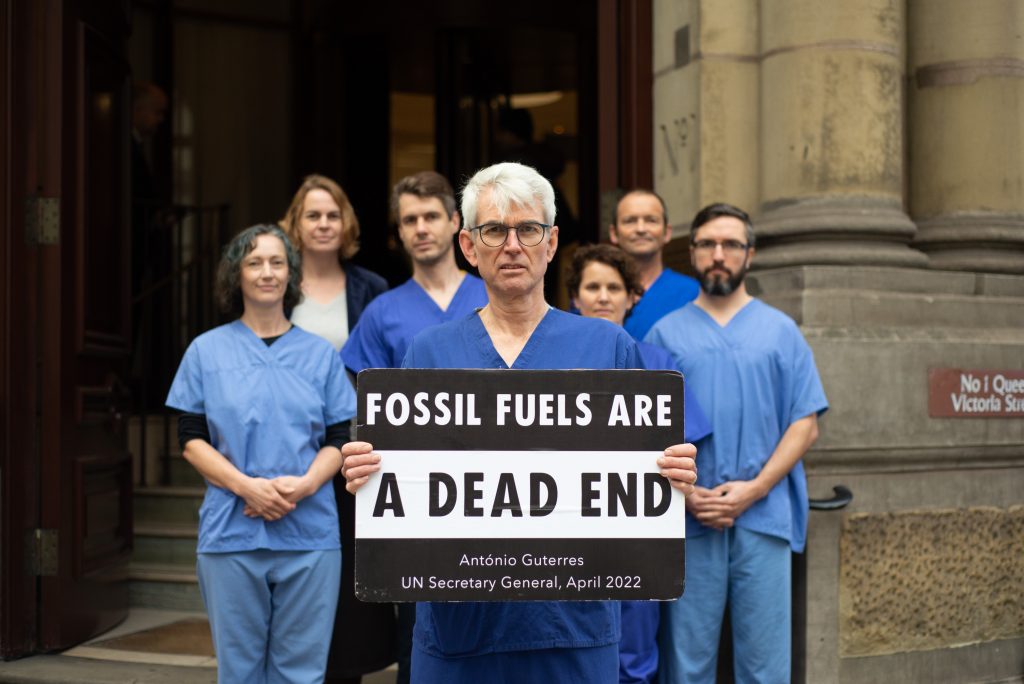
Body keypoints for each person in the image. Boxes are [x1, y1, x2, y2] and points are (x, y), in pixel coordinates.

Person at [341, 162, 699, 683]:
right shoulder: (428, 352)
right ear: (469, 246)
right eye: (494, 230)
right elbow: (402, 486)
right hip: (457, 632)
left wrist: (673, 477)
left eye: (528, 229)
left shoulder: (608, 348)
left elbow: (644, 489)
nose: (513, 245)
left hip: (573, 629)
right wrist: (367, 474)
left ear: (552, 243)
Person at [646, 203, 829, 683]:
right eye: (707, 244)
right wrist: (687, 495)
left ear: (750, 254)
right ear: (692, 253)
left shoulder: (780, 332)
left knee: (765, 664)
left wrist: (755, 488)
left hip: (762, 516)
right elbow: (648, 431)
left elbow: (805, 423)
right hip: (689, 519)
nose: (718, 254)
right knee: (686, 664)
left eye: (730, 244)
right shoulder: (666, 334)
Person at [165, 224, 355, 683]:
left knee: (302, 672)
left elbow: (338, 438)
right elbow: (190, 436)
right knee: (239, 671)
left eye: (276, 262)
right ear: (237, 275)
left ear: (291, 276)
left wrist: (307, 484)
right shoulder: (205, 351)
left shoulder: (319, 356)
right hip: (231, 532)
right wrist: (245, 486)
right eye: (254, 262)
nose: (266, 272)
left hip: (308, 533)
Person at [566, 243, 711, 684]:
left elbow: (682, 450)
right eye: (593, 287)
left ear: (633, 298)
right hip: (565, 534)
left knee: (634, 658)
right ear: (575, 298)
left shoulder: (659, 367)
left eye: (615, 287)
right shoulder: (551, 368)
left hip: (640, 537)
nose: (604, 297)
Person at [279, 174, 395, 683]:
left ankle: (345, 670)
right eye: (313, 215)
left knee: (348, 565)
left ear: (345, 222)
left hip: (349, 446)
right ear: (296, 225)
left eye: (332, 214)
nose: (323, 224)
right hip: (283, 446)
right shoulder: (274, 280)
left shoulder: (371, 288)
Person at [342, 171, 488, 373]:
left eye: (431, 217)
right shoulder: (381, 313)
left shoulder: (493, 297)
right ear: (400, 231)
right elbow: (368, 396)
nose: (421, 229)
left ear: (454, 221)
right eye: (410, 220)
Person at [609, 189, 699, 340]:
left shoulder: (693, 292)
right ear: (614, 233)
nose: (641, 229)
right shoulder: (595, 292)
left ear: (667, 232)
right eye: (630, 221)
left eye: (651, 220)